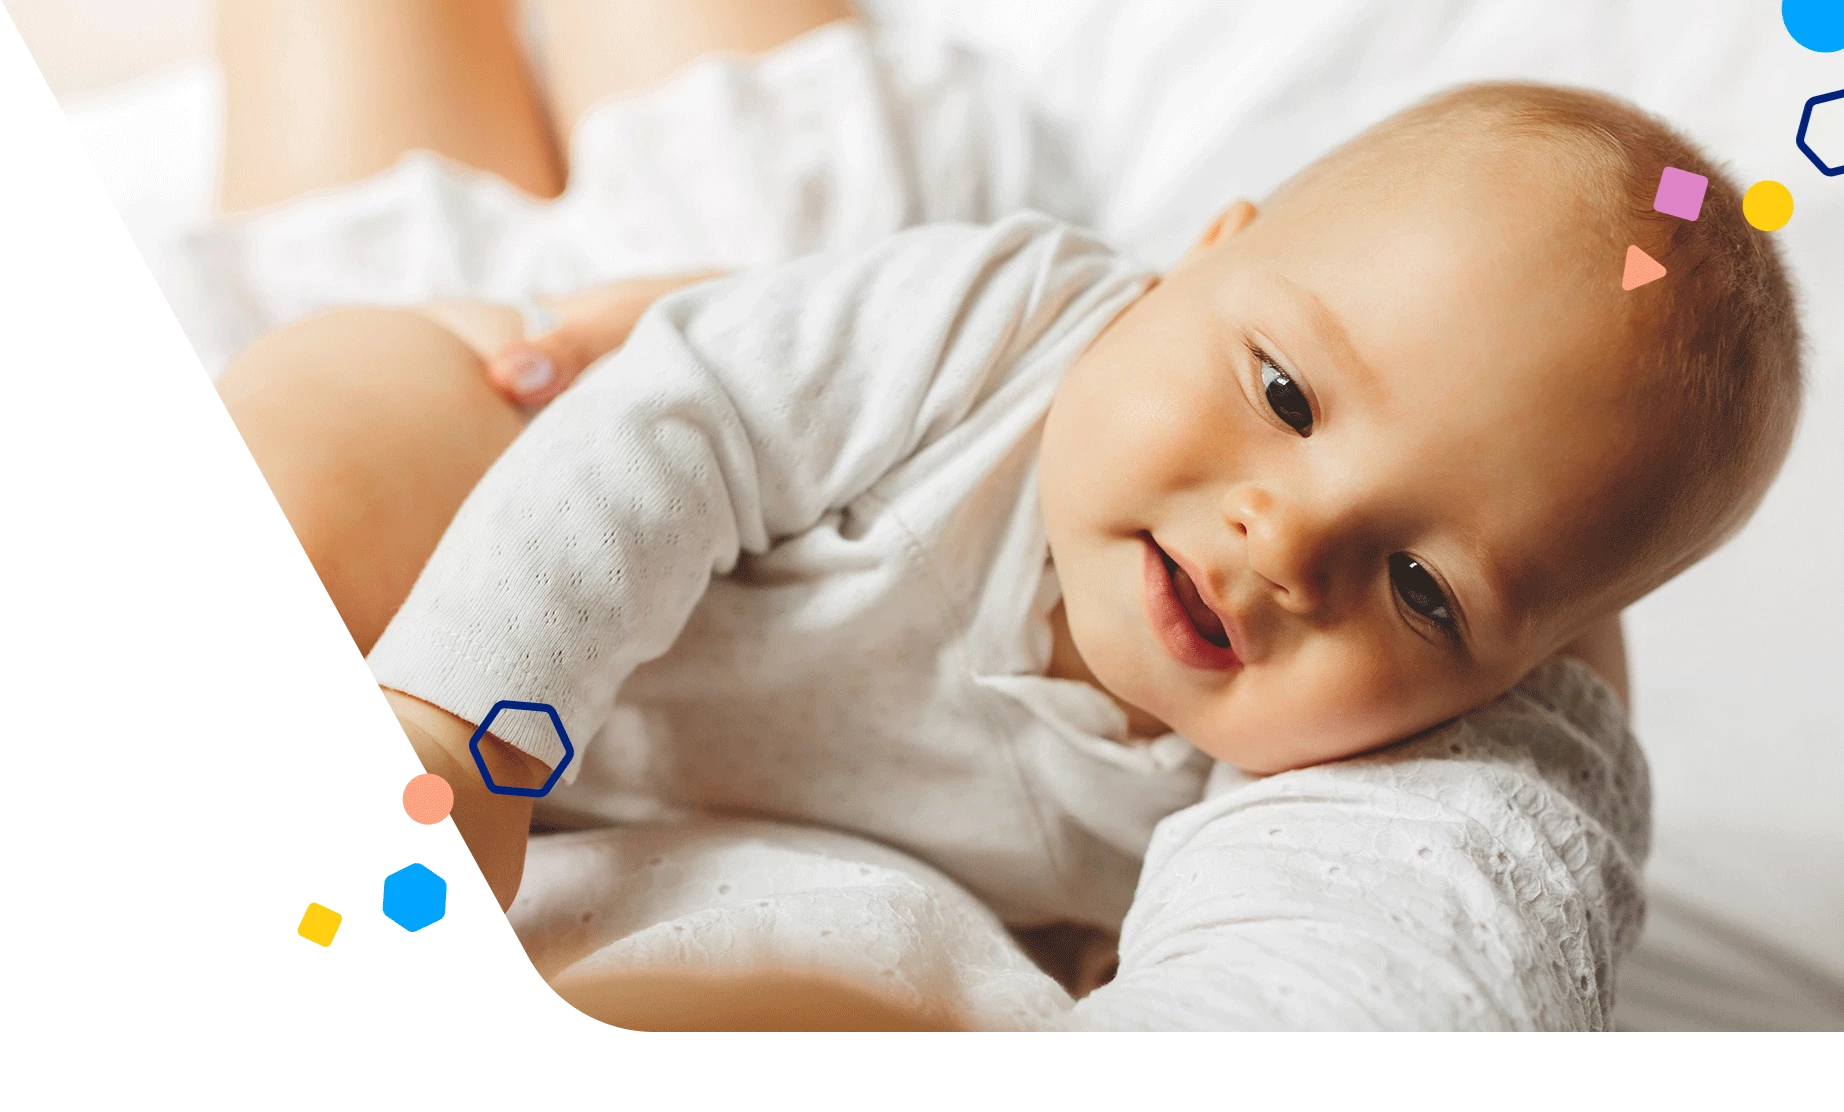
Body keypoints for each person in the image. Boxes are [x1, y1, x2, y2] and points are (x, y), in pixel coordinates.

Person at [215, 5, 1802, 1029]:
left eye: (1424, 589)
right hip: (601, 363)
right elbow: (659, 435)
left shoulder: (1342, 792)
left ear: (1512, 684)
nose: (1281, 542)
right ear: (1194, 254)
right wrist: (475, 734)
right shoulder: (987, 328)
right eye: (1287, 394)